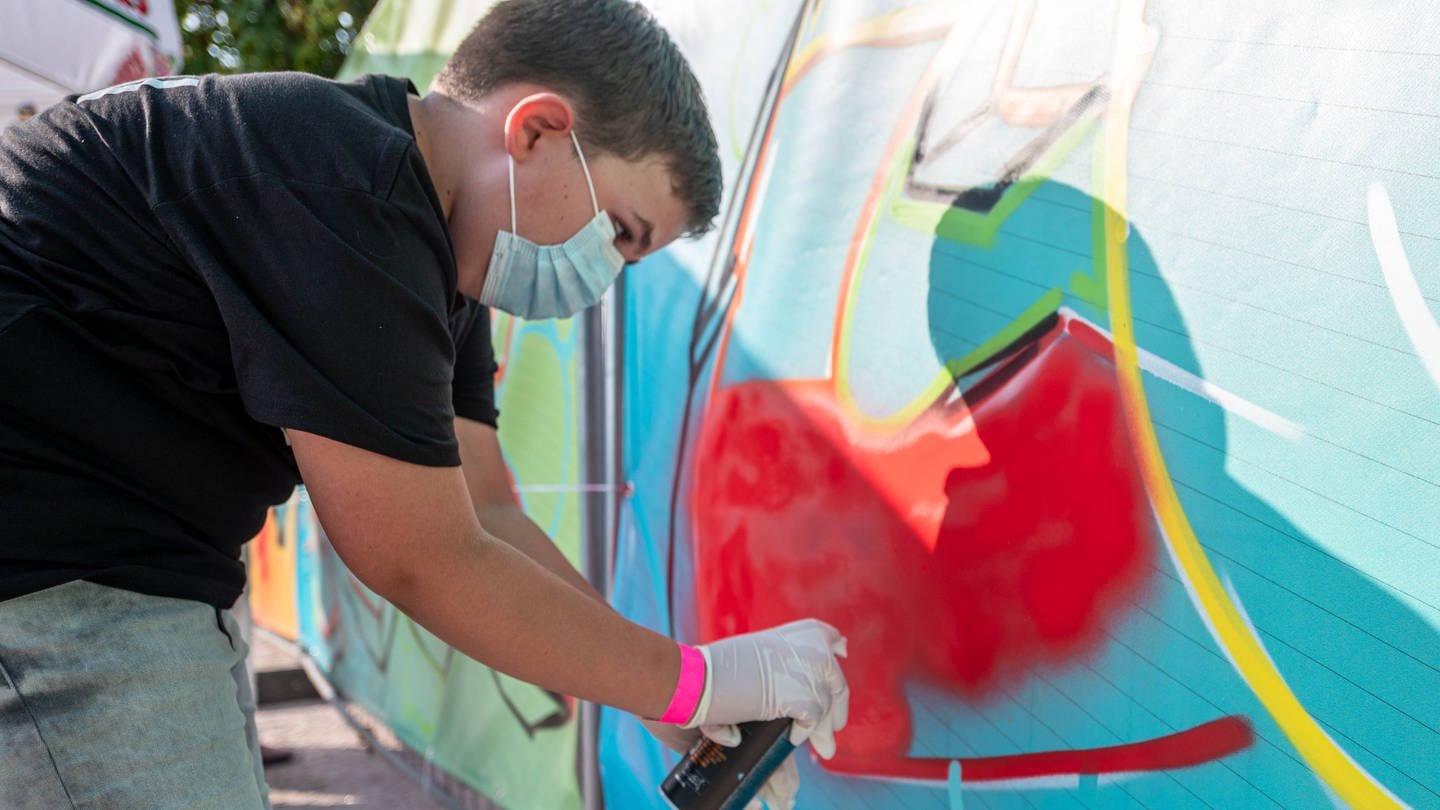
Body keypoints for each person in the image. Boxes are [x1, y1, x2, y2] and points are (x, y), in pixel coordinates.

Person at [0, 1, 848, 808]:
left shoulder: (434, 248)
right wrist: (693, 680)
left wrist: (671, 703)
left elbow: (485, 511)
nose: (609, 273)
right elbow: (419, 556)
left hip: (121, 569)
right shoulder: (345, 187)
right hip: (55, 579)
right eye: (621, 232)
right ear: (536, 130)